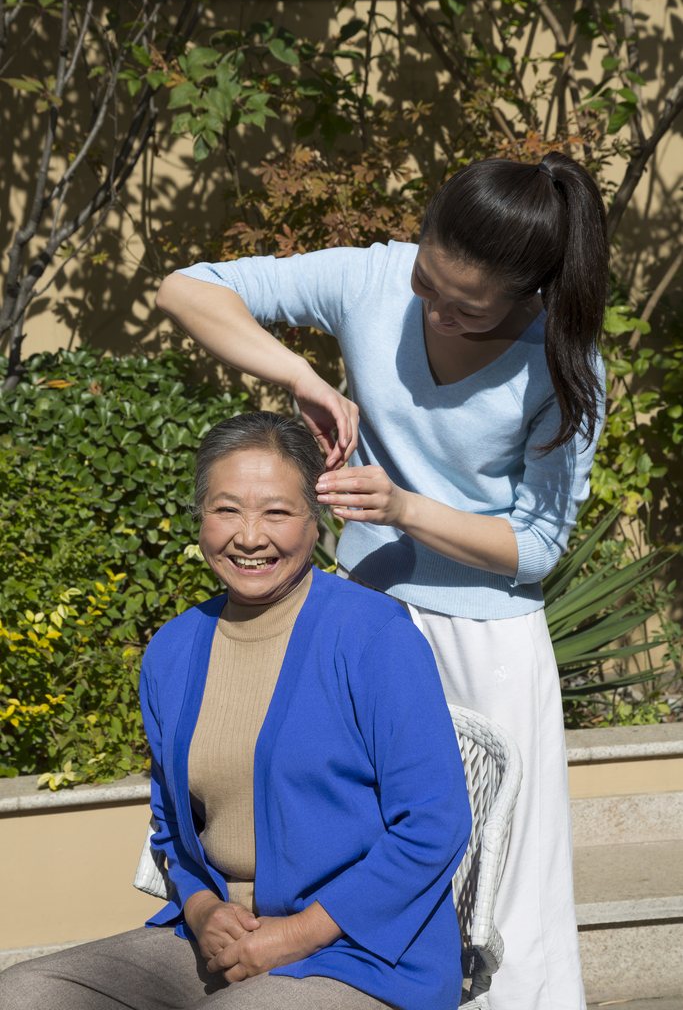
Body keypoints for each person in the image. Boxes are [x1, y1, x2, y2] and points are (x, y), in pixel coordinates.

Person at [154, 152, 610, 1010]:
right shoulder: (369, 279)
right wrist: (301, 376)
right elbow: (187, 287)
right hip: (356, 622)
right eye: (426, 280)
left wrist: (404, 507)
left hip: (486, 645)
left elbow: (538, 547)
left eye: (465, 307)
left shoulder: (563, 360)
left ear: (527, 295)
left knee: (499, 896)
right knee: (346, 851)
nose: (432, 309)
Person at [0, 412, 471, 1010]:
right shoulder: (172, 650)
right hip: (218, 943)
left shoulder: (373, 634)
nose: (250, 536)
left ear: (315, 518)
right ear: (200, 516)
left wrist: (294, 936)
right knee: (23, 994)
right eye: (227, 510)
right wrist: (200, 910)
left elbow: (435, 823)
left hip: (363, 953)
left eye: (277, 512)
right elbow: (172, 824)